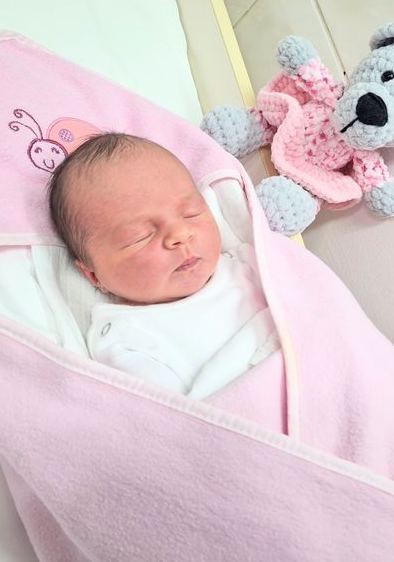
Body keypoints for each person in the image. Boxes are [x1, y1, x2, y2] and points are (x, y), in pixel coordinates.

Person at [48, 132, 279, 399]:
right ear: (93, 275)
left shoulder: (249, 264)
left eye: (191, 213)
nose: (180, 234)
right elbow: (177, 418)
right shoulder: (127, 342)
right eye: (140, 236)